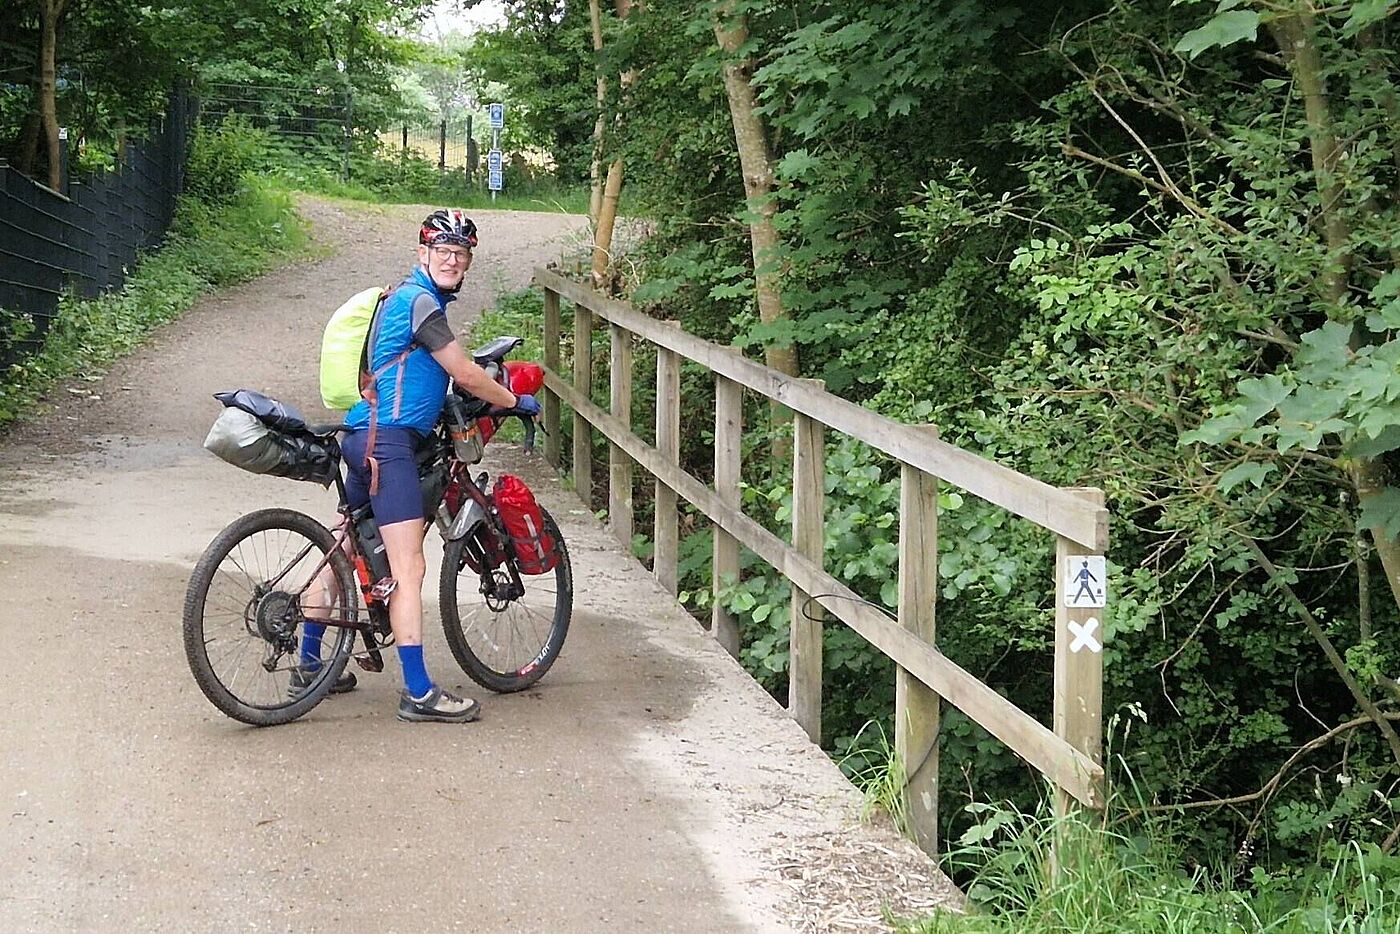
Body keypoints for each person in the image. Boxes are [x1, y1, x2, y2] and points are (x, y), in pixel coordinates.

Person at [297, 209, 540, 722]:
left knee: (346, 547)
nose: (452, 259)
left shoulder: (403, 299)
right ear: (422, 254)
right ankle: (419, 692)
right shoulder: (419, 300)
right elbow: (465, 373)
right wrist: (513, 401)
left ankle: (309, 662)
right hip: (389, 447)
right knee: (410, 568)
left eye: (461, 252)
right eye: (443, 251)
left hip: (362, 435)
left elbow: (424, 372)